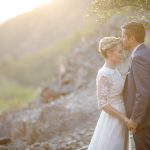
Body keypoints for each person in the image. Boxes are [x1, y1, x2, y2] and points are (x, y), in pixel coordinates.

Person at [88, 36, 128, 150]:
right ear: (109, 53)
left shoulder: (114, 70)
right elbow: (102, 104)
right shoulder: (104, 74)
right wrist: (124, 118)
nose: (122, 54)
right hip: (114, 120)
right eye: (119, 52)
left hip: (121, 118)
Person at [122, 21, 150, 150]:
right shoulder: (146, 53)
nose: (121, 40)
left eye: (123, 36)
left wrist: (135, 119)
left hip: (144, 121)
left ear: (132, 38)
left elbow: (143, 92)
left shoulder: (139, 57)